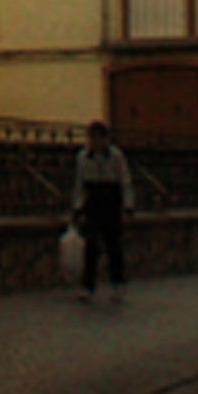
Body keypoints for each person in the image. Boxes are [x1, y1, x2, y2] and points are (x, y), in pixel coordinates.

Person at [71, 120, 132, 300]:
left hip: (111, 199)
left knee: (113, 244)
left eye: (98, 139)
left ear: (105, 139)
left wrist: (128, 205)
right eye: (92, 139)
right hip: (93, 200)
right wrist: (77, 206)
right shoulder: (83, 157)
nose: (95, 143)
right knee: (91, 245)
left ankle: (118, 283)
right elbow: (79, 184)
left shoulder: (115, 156)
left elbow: (125, 180)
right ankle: (87, 286)